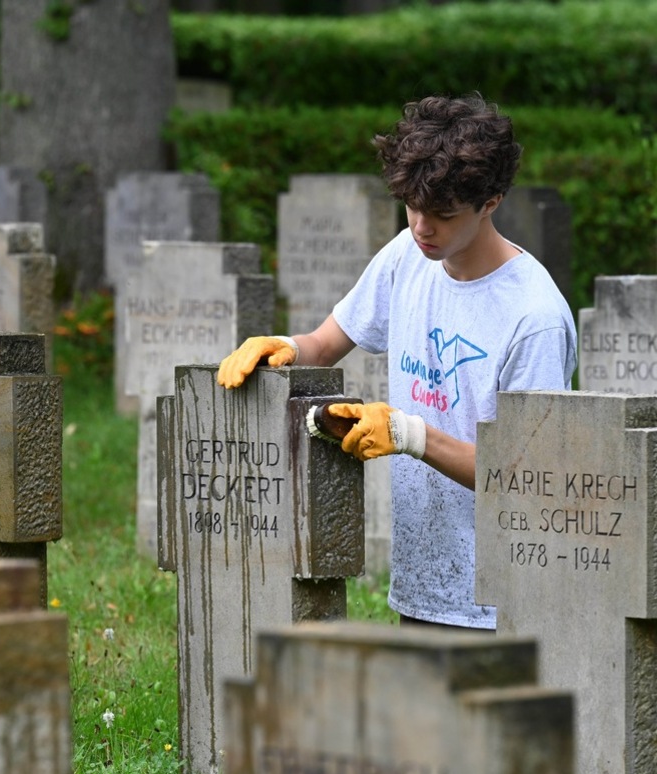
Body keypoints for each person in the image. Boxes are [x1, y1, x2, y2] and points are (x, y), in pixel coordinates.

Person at [217, 93, 577, 631]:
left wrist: (411, 434)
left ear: (492, 201)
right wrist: (287, 347)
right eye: (411, 207)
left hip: (504, 604)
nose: (422, 227)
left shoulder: (535, 317)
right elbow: (324, 342)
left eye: (443, 214)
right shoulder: (406, 256)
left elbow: (530, 479)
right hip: (420, 585)